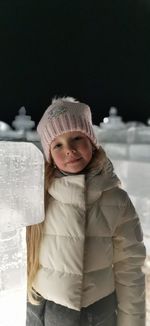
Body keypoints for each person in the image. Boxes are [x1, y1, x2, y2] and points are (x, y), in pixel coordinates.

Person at [26, 96, 146, 326]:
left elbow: (130, 266)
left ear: (92, 141)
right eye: (57, 145)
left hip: (98, 311)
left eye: (76, 138)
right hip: (44, 309)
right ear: (48, 155)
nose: (69, 149)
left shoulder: (116, 200)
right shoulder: (39, 195)